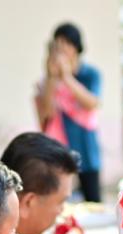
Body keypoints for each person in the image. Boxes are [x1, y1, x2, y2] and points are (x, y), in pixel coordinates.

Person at [36, 22, 102, 202]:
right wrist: (52, 77)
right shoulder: (47, 79)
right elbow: (46, 113)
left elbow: (92, 103)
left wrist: (66, 77)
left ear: (76, 48)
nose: (62, 51)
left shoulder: (90, 74)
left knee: (92, 200)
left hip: (86, 147)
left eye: (66, 44)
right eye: (58, 45)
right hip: (59, 151)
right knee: (59, 201)